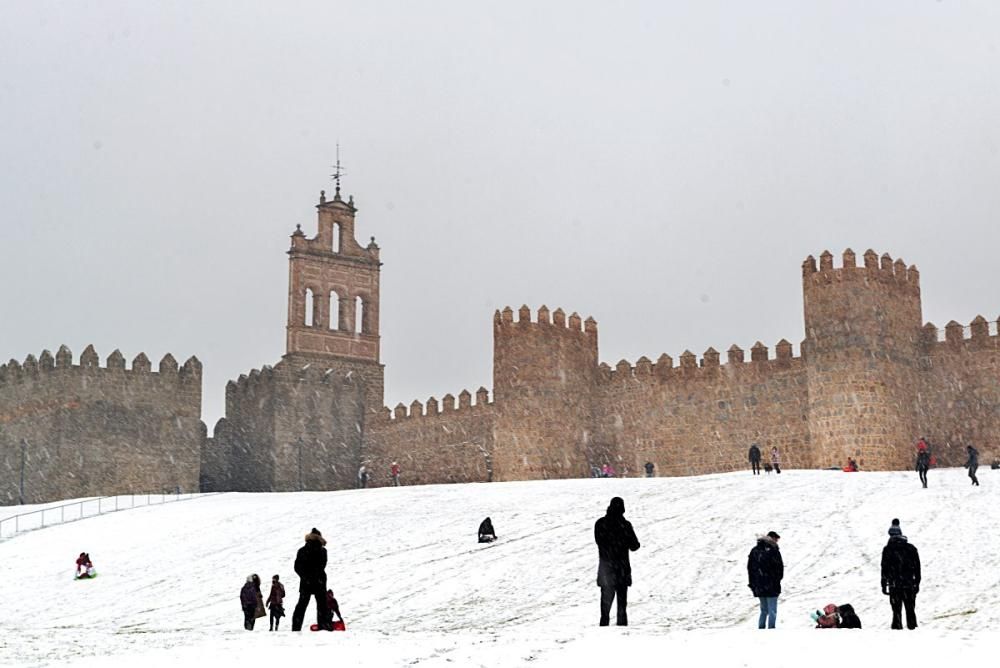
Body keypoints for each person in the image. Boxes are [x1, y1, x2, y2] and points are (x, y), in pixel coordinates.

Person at [594, 496, 640, 626]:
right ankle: (621, 627)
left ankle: (603, 625)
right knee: (621, 605)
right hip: (622, 568)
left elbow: (599, 542)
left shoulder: (600, 524)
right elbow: (634, 546)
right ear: (623, 509)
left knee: (605, 603)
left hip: (606, 568)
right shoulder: (625, 525)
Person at [881, 518, 921, 630]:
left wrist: (884, 584)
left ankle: (897, 634)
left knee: (896, 613)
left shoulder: (888, 549)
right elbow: (917, 568)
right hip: (909, 585)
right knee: (910, 611)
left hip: (895, 586)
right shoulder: (911, 549)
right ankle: (913, 633)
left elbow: (884, 569)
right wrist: (916, 583)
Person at [291, 528, 331, 631]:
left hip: (306, 582)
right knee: (322, 605)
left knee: (301, 605)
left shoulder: (302, 550)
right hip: (319, 582)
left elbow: (297, 567)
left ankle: (296, 627)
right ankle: (323, 626)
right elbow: (322, 565)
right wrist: (315, 576)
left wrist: (305, 577)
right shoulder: (322, 551)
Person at [747, 531, 783, 629]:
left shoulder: (754, 551)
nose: (777, 541)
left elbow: (750, 569)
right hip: (771, 586)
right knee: (772, 610)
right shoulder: (773, 550)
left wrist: (753, 584)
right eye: (776, 539)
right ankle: (771, 630)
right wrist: (776, 580)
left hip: (759, 586)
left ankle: (761, 629)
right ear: (772, 538)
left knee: (764, 610)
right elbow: (779, 568)